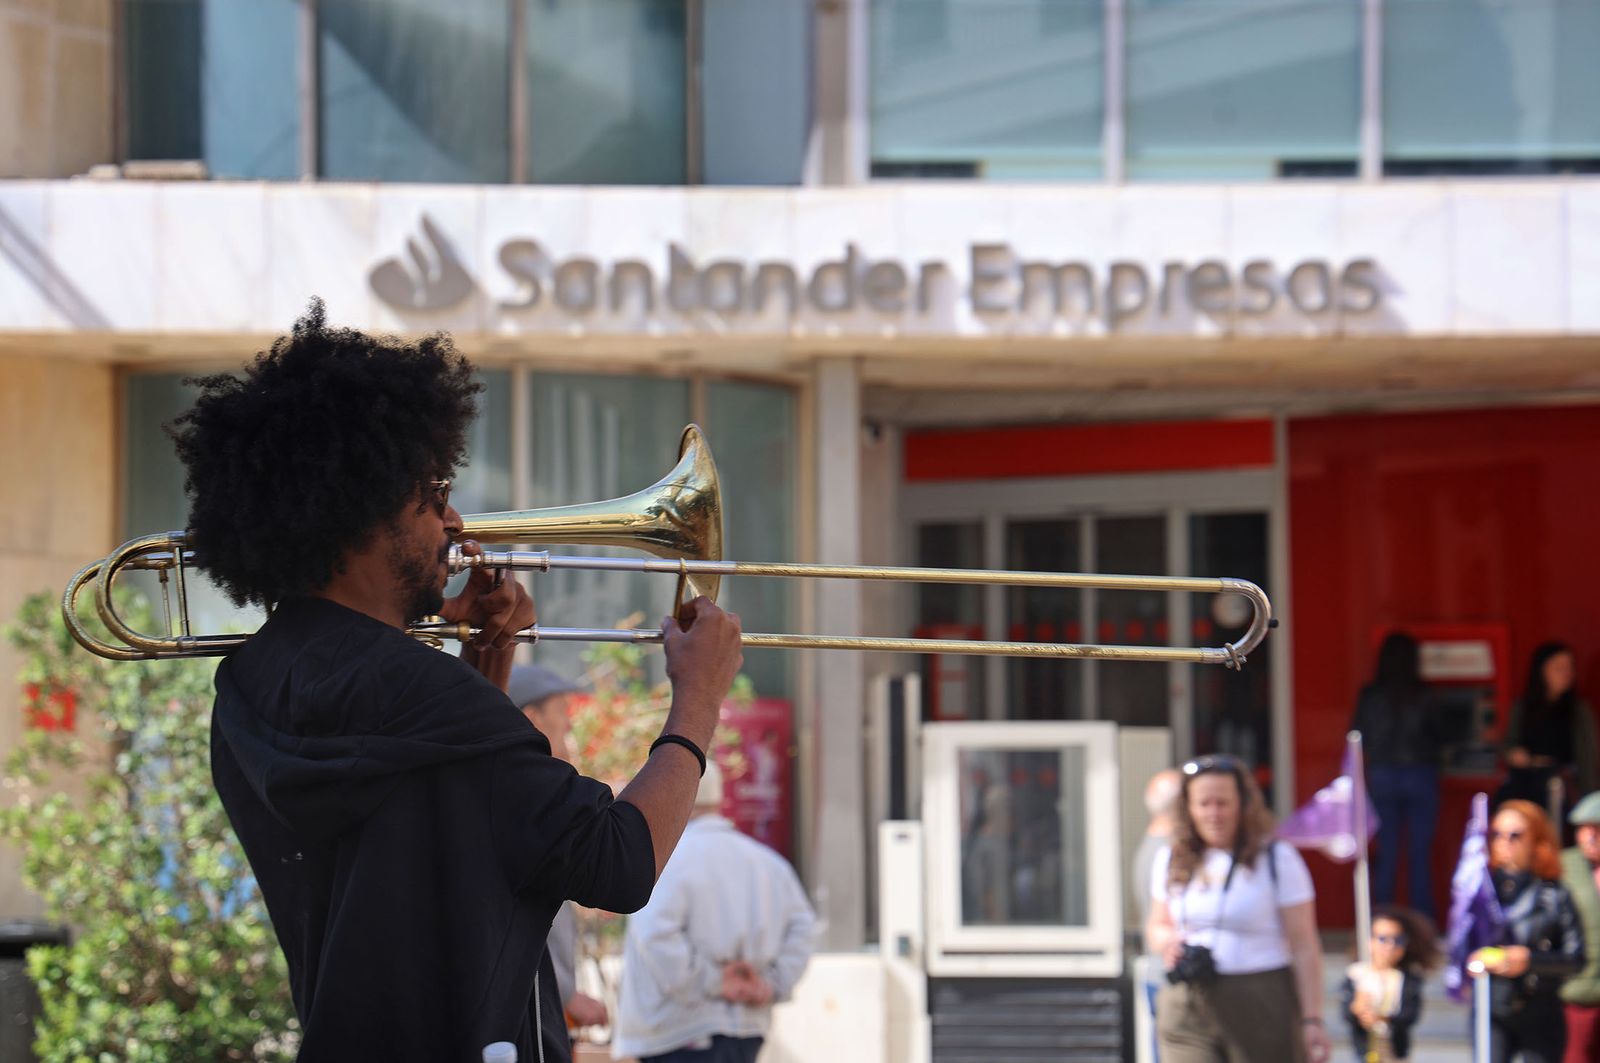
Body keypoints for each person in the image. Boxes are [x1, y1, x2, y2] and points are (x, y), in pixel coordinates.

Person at [180, 303, 745, 1063]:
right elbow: (617, 861)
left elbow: (438, 819)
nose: (453, 520)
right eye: (431, 494)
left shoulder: (248, 685)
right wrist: (699, 698)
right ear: (357, 516)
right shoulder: (423, 698)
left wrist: (485, 666)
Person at [612, 762, 815, 1063]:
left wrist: (712, 981)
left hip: (675, 1032)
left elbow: (656, 933)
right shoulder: (769, 864)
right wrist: (769, 984)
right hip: (748, 1030)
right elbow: (803, 927)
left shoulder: (664, 862)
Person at [1145, 754, 1332, 1063]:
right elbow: (1157, 923)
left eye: (1223, 803)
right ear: (1188, 809)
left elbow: (1304, 944)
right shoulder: (1171, 858)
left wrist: (1312, 1019)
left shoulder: (1276, 858)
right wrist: (1166, 941)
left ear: (1243, 806)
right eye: (1204, 804)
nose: (1214, 814)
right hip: (1188, 997)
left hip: (1258, 995)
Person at [509, 664, 611, 1033]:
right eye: (562, 721)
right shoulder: (527, 801)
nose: (570, 741)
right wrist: (566, 994)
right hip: (529, 1018)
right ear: (532, 719)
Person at [1468, 800, 1585, 1063]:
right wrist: (1474, 959)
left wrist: (1530, 960)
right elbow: (1462, 945)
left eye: (1515, 835)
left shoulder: (1554, 893)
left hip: (1539, 1004)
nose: (1504, 842)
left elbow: (1576, 959)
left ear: (1535, 839)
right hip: (1492, 1004)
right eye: (1497, 834)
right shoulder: (1478, 889)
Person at [1351, 632, 1445, 920]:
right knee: (1419, 855)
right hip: (1420, 775)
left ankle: (1381, 924)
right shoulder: (1425, 694)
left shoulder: (1370, 695)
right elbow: (1442, 736)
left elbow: (1358, 735)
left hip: (1382, 777)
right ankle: (1422, 925)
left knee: (1387, 854)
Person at [1500, 642, 1598, 824]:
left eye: (1570, 667)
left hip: (1563, 792)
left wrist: (1589, 801)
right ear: (1541, 671)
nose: (1567, 673)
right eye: (1559, 668)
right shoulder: (1522, 708)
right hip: (1525, 788)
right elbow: (1507, 744)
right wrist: (1513, 754)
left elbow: (1588, 759)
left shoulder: (1579, 711)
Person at [1339, 906, 1441, 1063]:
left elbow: (1411, 1014)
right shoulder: (1357, 974)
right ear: (1369, 941)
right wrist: (1357, 1008)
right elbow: (1347, 1013)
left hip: (1395, 1052)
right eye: (1382, 939)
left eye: (1397, 940)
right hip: (1365, 1051)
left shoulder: (1408, 978)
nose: (1389, 946)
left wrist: (1383, 1018)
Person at [1559, 791, 1600, 1062]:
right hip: (1579, 988)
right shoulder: (1565, 866)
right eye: (1583, 829)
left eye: (1596, 829)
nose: (1589, 837)